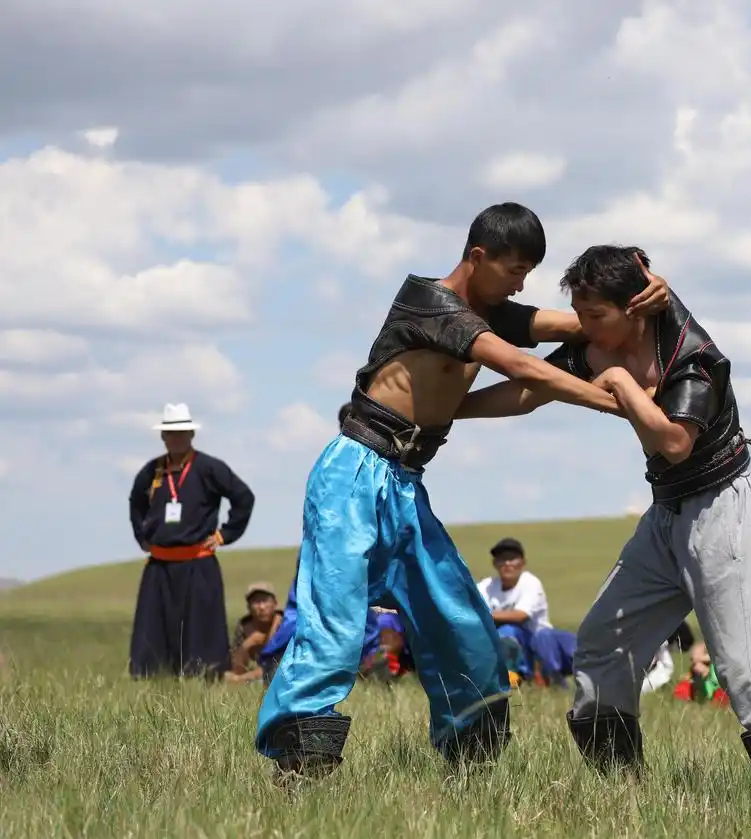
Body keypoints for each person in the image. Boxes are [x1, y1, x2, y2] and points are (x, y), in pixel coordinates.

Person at [253, 205, 671, 780]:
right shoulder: (429, 303)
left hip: (406, 485)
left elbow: (582, 323)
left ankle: (471, 766)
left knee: (462, 623)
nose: (521, 284)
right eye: (514, 270)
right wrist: (619, 402)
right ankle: (300, 767)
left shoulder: (488, 311)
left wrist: (648, 296)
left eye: (528, 273)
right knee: (336, 625)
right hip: (352, 475)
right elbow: (524, 368)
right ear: (478, 257)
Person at [455, 245, 751, 794]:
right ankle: (623, 791)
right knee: (603, 644)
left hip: (723, 512)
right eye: (580, 313)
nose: (584, 326)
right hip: (666, 515)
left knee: (748, 668)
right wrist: (446, 410)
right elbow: (531, 389)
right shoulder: (599, 344)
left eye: (596, 315)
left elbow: (674, 441)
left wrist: (622, 382)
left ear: (635, 308)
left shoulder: (692, 357)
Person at [127, 403, 255, 679]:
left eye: (182, 433)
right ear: (163, 437)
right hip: (159, 566)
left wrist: (225, 534)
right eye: (171, 433)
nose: (176, 438)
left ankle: (204, 681)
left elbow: (244, 497)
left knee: (202, 632)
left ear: (192, 435)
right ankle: (154, 680)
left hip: (198, 564)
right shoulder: (152, 471)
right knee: (155, 633)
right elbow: (135, 503)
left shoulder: (209, 468)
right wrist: (142, 536)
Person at [475, 538, 576, 687]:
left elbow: (521, 615)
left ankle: (554, 679)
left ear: (522, 562)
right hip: (506, 645)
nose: (507, 564)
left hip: (541, 645)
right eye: (502, 559)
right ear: (495, 563)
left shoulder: (530, 582)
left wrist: (486, 616)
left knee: (536, 635)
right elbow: (470, 609)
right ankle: (512, 677)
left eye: (512, 558)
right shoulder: (486, 586)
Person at [225, 583, 284, 685]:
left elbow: (275, 663)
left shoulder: (285, 623)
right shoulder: (244, 626)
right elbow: (237, 668)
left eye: (265, 601)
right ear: (249, 607)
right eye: (256, 602)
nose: (261, 607)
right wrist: (249, 642)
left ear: (275, 604)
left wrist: (240, 679)